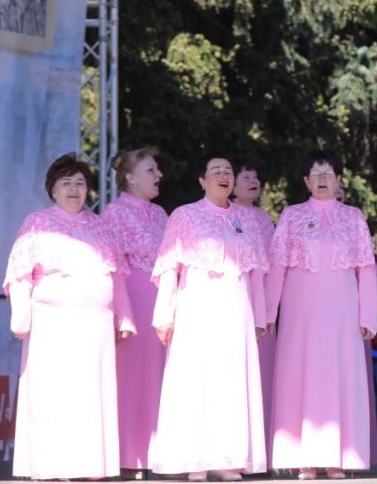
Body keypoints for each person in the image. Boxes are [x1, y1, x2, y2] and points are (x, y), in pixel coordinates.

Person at [3, 154, 136, 480]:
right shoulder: (37, 223)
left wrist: (125, 316)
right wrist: (21, 317)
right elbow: (19, 273)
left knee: (90, 395)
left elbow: (116, 275)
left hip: (96, 328)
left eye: (80, 183)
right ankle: (52, 466)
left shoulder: (100, 226)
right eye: (66, 183)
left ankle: (91, 466)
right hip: (53, 325)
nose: (74, 189)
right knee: (55, 394)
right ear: (53, 190)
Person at [150, 154, 269, 481]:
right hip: (197, 309)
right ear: (202, 181)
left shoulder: (244, 220)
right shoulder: (185, 215)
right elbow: (169, 266)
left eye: (227, 171)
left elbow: (256, 273)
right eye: (215, 171)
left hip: (236, 310)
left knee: (231, 383)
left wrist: (260, 318)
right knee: (197, 381)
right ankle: (196, 461)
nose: (223, 175)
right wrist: (165, 315)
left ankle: (229, 460)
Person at [265, 150, 377, 479]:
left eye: (329, 173)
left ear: (339, 180)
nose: (323, 179)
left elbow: (366, 269)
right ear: (306, 181)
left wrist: (368, 316)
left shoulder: (354, 217)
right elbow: (277, 266)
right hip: (301, 310)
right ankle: (305, 457)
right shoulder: (291, 215)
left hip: (342, 309)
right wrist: (268, 312)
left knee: (339, 375)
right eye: (316, 174)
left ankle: (338, 457)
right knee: (300, 375)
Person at [102, 146, 169, 476]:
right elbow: (111, 266)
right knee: (133, 377)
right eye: (151, 170)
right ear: (130, 178)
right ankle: (130, 455)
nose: (159, 175)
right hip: (134, 300)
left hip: (164, 302)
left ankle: (160, 454)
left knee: (161, 376)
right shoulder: (114, 213)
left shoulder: (161, 214)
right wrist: (120, 314)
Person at [231, 156, 276, 457]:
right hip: (238, 300)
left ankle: (264, 451)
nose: (253, 181)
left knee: (265, 374)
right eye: (246, 176)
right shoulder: (227, 215)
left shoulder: (263, 218)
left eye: (255, 176)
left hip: (264, 305)